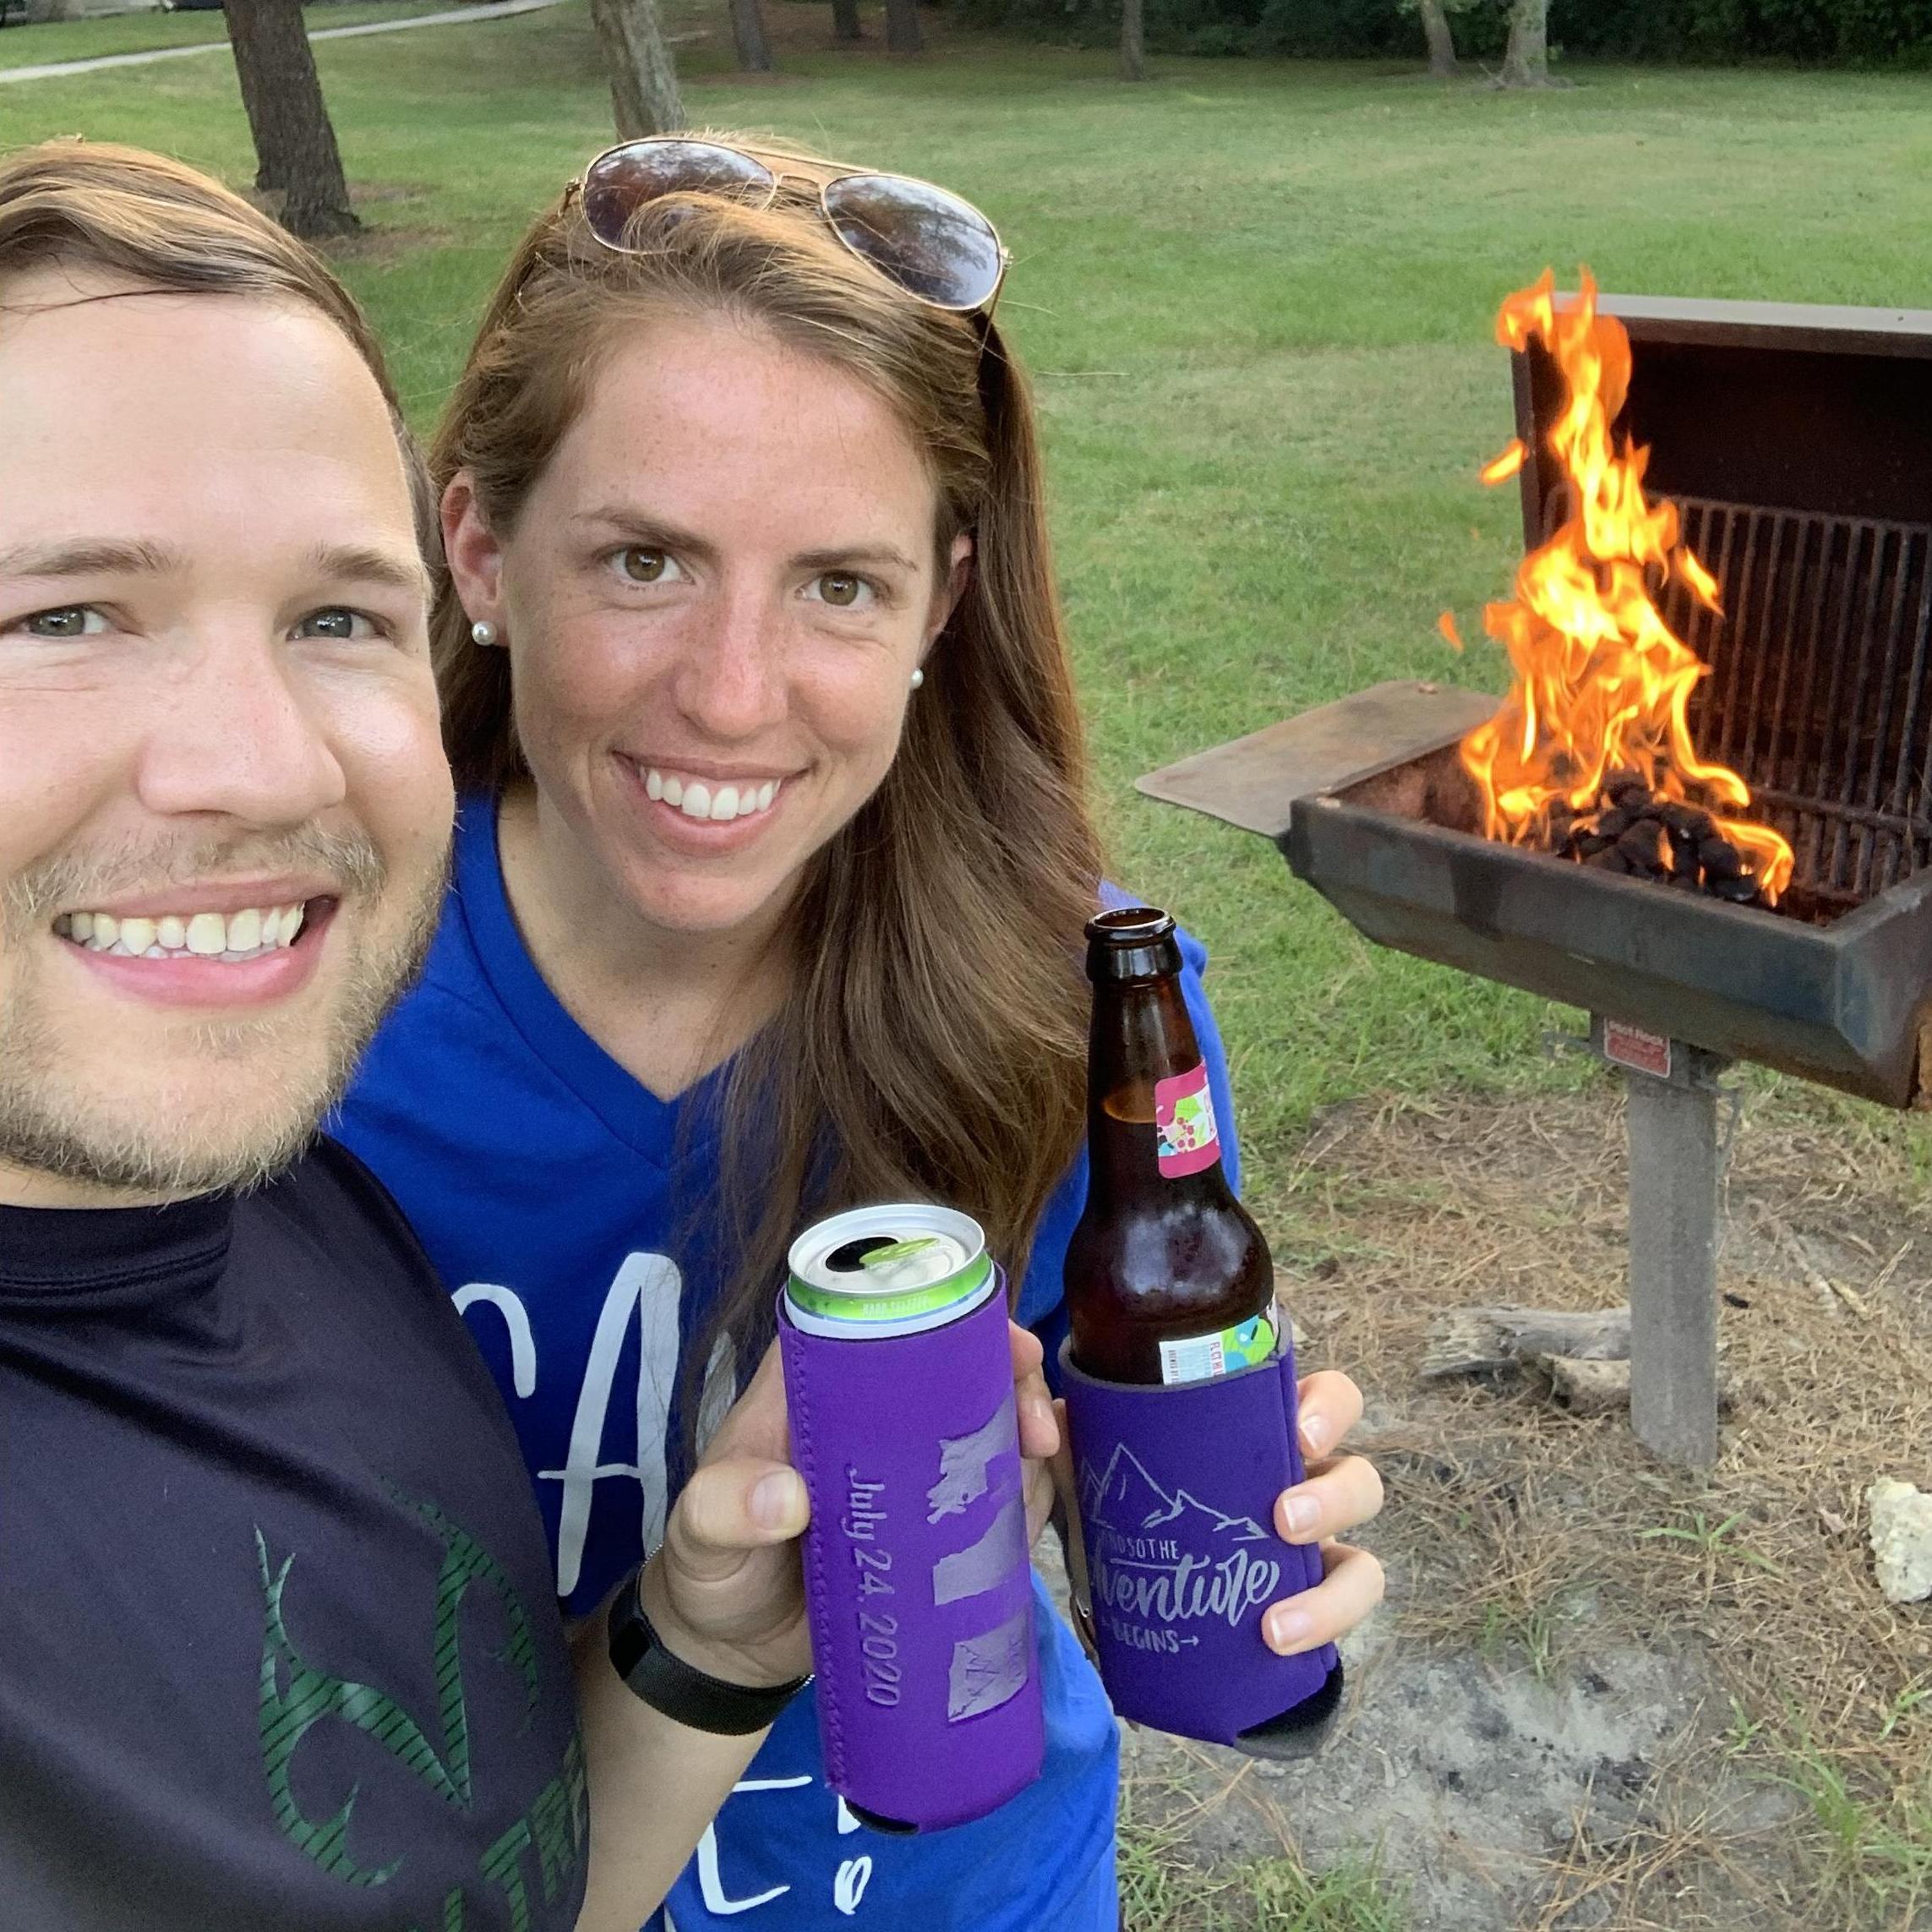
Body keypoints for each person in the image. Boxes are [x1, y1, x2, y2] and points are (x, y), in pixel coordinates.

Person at [336, 134, 1387, 1931]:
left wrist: (1235, 1565)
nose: (734, 696)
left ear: (941, 604)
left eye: (839, 584)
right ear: (481, 549)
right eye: (647, 559)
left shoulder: (1071, 1010)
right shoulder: (299, 1018)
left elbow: (1105, 1503)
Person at [0, 139, 881, 1932]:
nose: (257, 764)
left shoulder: (304, 1210)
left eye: (335, 617)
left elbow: (491, 1881)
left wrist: (703, 1642)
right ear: (498, 564)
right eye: (64, 615)